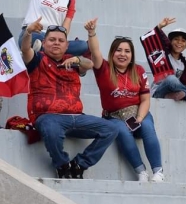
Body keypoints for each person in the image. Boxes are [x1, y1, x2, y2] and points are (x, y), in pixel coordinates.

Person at [21, 22, 117, 179]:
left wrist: (77, 60)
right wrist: (28, 33)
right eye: (52, 40)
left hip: (77, 117)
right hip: (48, 116)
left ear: (66, 46)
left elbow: (90, 64)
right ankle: (62, 165)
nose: (56, 43)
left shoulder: (72, 62)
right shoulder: (37, 59)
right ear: (44, 43)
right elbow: (25, 49)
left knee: (111, 129)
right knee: (51, 129)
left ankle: (80, 164)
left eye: (60, 40)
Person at [85, 18, 165, 182]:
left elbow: (145, 100)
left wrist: (139, 119)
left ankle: (158, 171)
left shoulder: (138, 70)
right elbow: (95, 52)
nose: (122, 54)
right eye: (119, 50)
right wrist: (91, 33)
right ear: (112, 53)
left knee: (148, 128)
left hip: (138, 112)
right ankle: (141, 171)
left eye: (127, 51)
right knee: (121, 130)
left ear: (132, 55)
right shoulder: (103, 68)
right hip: (113, 116)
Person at [145, 17, 186, 103]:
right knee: (171, 79)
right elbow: (155, 39)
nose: (179, 42)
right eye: (176, 39)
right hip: (159, 91)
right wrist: (159, 27)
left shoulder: (182, 63)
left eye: (183, 41)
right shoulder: (164, 54)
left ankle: (175, 95)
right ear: (170, 41)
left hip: (177, 90)